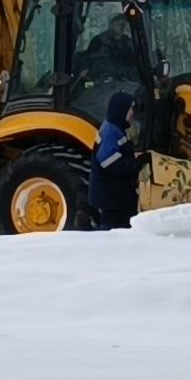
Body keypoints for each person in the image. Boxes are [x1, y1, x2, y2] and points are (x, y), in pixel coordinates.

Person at [88, 91, 142, 229]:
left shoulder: (117, 129)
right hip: (111, 197)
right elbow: (109, 161)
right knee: (111, 230)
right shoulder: (111, 132)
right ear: (122, 110)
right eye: (131, 109)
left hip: (116, 195)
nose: (133, 114)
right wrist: (135, 166)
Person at [80, 15, 140, 84]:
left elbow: (135, 62)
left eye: (123, 24)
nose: (122, 27)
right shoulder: (99, 42)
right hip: (101, 84)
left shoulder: (127, 42)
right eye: (118, 24)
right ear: (111, 25)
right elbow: (100, 66)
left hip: (126, 82)